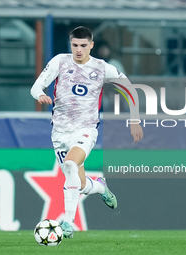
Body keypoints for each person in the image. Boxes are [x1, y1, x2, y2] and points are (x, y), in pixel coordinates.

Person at [30, 26, 143, 238]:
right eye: (75, 45)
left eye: (83, 45)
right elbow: (36, 87)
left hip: (86, 129)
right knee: (79, 184)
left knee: (71, 164)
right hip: (60, 133)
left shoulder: (102, 68)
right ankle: (99, 187)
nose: (79, 50)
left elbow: (130, 89)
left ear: (91, 45)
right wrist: (40, 96)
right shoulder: (60, 62)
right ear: (70, 44)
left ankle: (68, 224)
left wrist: (134, 120)